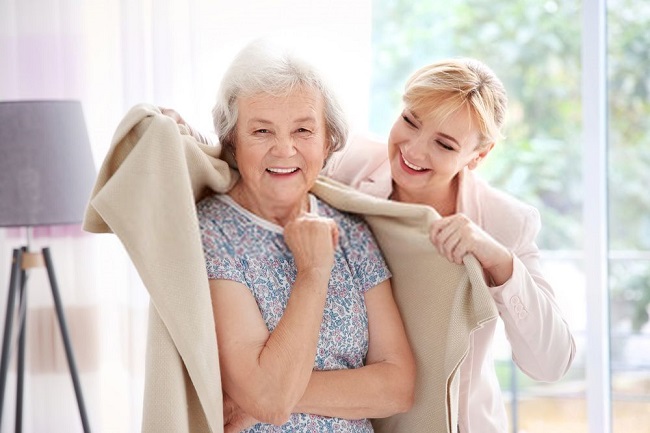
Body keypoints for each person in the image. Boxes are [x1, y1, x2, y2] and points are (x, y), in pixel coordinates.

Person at [169, 57, 576, 433]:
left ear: (478, 156)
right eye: (410, 122)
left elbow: (550, 363)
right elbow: (276, 157)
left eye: (445, 144)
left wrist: (500, 262)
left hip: (450, 420)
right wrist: (186, 142)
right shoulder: (353, 164)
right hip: (363, 412)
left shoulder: (506, 222)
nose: (414, 150)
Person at [196, 41, 416, 433]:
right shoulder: (213, 231)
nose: (284, 149)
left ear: (328, 139)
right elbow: (269, 399)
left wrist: (269, 396)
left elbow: (398, 387)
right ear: (233, 141)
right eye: (262, 131)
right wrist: (313, 270)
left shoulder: (349, 230)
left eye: (303, 129)